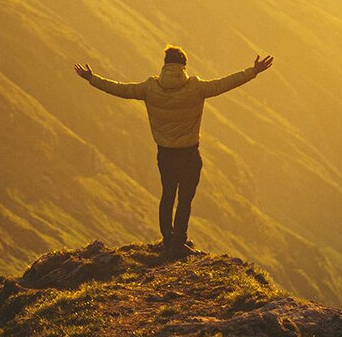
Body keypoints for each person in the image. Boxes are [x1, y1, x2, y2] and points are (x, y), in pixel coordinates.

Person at [74, 45, 274, 258]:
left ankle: (167, 240)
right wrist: (253, 71)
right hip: (189, 153)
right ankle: (179, 242)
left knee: (167, 195)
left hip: (165, 153)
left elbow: (120, 89)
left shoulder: (150, 88)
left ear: (165, 64)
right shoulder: (196, 88)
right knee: (185, 199)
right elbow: (225, 83)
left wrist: (92, 78)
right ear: (183, 66)